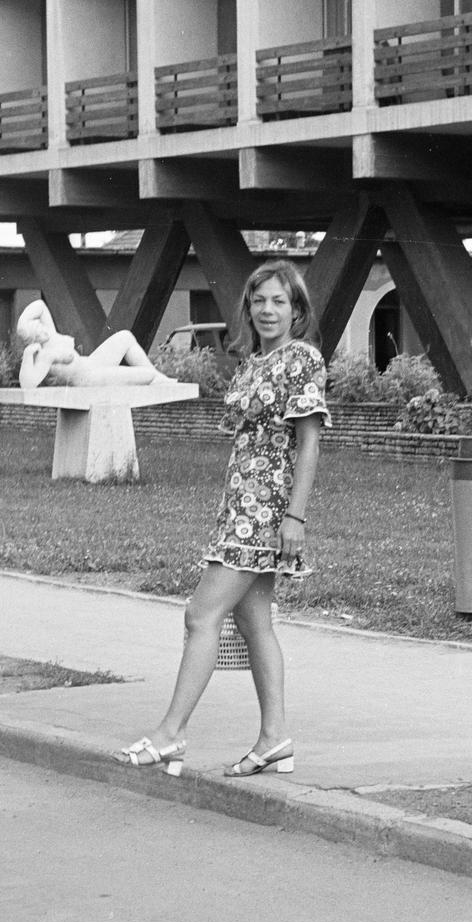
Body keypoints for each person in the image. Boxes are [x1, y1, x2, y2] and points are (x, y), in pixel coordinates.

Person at [117, 259, 329, 778]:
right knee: (254, 622)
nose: (268, 310)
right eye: (259, 301)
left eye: (279, 301)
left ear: (297, 310)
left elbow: (310, 444)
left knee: (200, 615)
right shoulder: (252, 363)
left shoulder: (301, 359)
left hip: (266, 514)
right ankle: (275, 739)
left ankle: (170, 735)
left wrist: (294, 518)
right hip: (239, 507)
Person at [14, 299, 172, 390]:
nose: (42, 329)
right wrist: (28, 356)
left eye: (38, 325)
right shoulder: (44, 355)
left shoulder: (51, 334)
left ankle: (160, 379)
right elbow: (28, 386)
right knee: (147, 376)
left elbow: (40, 305)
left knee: (125, 336)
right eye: (37, 331)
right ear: (33, 339)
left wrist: (24, 321)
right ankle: (157, 378)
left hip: (93, 363)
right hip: (89, 379)